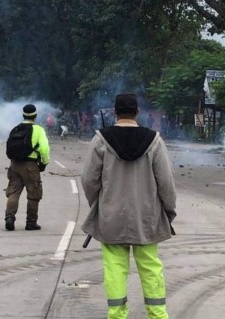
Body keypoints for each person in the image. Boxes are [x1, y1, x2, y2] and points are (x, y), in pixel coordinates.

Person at [81, 93, 176, 319]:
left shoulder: (101, 140)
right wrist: (169, 212)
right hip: (147, 217)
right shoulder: (154, 140)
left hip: (110, 217)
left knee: (114, 269)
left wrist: (98, 205)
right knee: (151, 267)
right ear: (137, 112)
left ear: (115, 112)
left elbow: (88, 180)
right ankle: (157, 314)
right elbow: (166, 182)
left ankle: (117, 313)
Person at [4, 104, 50, 231]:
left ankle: (9, 218)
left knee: (13, 192)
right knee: (33, 194)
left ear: (23, 115)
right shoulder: (38, 130)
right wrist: (44, 163)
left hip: (14, 164)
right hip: (31, 166)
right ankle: (31, 222)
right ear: (35, 116)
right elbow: (44, 149)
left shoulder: (16, 129)